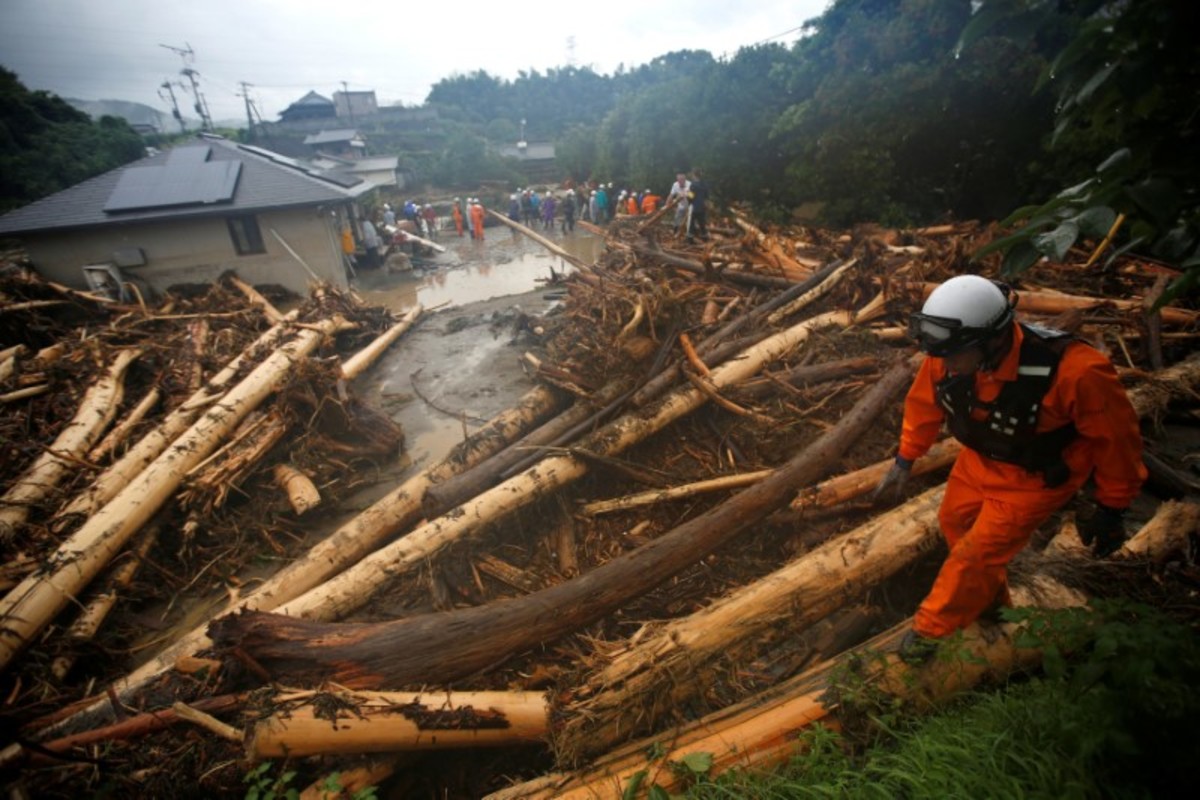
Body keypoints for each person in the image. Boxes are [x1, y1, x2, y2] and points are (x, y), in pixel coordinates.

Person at [873, 275, 1146, 663]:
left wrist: (1113, 506)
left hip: (1034, 477)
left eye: (954, 355)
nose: (945, 364)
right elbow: (923, 404)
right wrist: (905, 459)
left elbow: (1117, 440)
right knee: (954, 523)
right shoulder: (950, 354)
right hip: (978, 462)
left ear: (992, 339)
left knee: (976, 554)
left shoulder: (1076, 371)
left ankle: (931, 630)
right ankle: (990, 602)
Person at [686, 168, 709, 241]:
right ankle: (705, 237)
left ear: (694, 175)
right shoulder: (704, 184)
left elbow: (691, 197)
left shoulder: (693, 185)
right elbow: (706, 196)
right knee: (702, 223)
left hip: (694, 207)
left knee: (691, 224)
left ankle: (690, 239)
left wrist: (687, 194)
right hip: (702, 207)